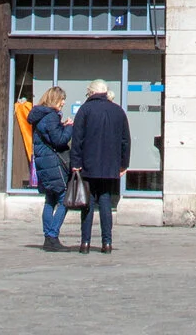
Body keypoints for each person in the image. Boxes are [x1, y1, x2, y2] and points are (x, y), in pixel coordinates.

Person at [70, 79, 130, 254]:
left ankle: (85, 243)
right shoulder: (118, 111)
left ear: (91, 92)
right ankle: (107, 242)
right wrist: (123, 164)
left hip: (88, 164)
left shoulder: (85, 110)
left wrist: (75, 163)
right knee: (105, 201)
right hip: (110, 165)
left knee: (86, 204)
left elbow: (77, 139)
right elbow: (125, 140)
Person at [26, 86, 72, 252]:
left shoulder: (40, 116)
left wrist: (61, 125)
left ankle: (48, 237)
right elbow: (59, 140)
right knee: (64, 200)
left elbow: (49, 134)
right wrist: (69, 127)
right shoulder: (51, 116)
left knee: (50, 199)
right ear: (55, 100)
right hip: (53, 164)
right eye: (62, 99)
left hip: (43, 162)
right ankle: (52, 235)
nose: (63, 103)